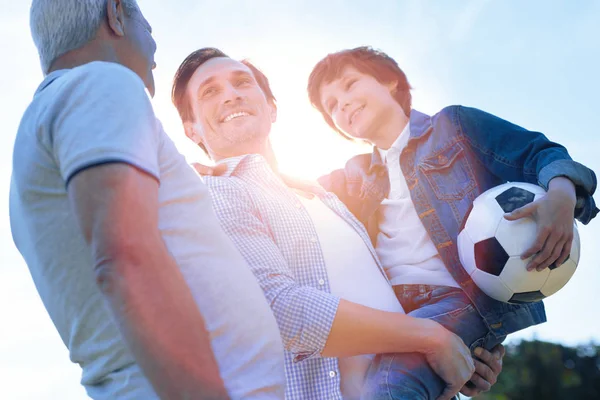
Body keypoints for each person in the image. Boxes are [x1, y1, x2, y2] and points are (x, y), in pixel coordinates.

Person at [173, 47, 506, 400]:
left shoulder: (333, 200)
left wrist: (460, 347)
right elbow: (277, 309)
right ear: (192, 129)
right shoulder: (218, 192)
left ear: (271, 108)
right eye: (210, 91)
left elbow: (394, 293)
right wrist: (429, 337)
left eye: (242, 82)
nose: (231, 94)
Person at [9, 1, 285, 399]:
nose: (154, 45)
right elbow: (124, 254)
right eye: (148, 26)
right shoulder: (99, 82)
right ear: (116, 15)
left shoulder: (39, 133)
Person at [306, 46, 598, 398]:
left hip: (457, 301)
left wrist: (562, 196)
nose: (344, 104)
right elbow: (291, 190)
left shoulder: (454, 127)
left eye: (350, 85)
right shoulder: (352, 175)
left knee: (387, 386)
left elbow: (539, 153)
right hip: (391, 312)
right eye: (332, 106)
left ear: (391, 82)